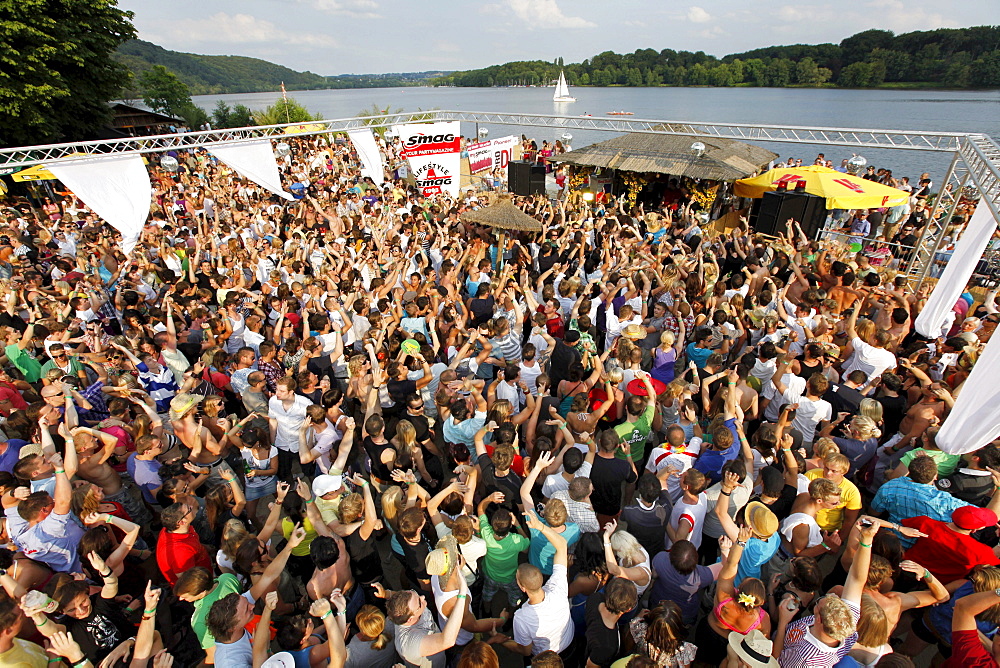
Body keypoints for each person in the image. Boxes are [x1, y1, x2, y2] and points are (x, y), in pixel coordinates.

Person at [501, 509, 574, 658]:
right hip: (569, 645)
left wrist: (500, 640)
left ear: (522, 587)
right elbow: (561, 544)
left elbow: (525, 650)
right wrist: (540, 526)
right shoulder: (558, 586)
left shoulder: (521, 617)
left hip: (544, 658)